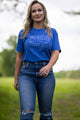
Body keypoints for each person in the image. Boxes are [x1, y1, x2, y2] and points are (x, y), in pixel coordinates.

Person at [14, 0, 61, 120]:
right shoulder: (23, 33)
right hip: (26, 75)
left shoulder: (52, 32)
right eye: (33, 11)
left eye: (39, 10)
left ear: (44, 12)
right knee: (26, 113)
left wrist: (49, 66)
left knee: (46, 114)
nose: (37, 13)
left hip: (46, 74)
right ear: (30, 15)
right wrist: (16, 78)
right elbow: (19, 56)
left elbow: (55, 52)